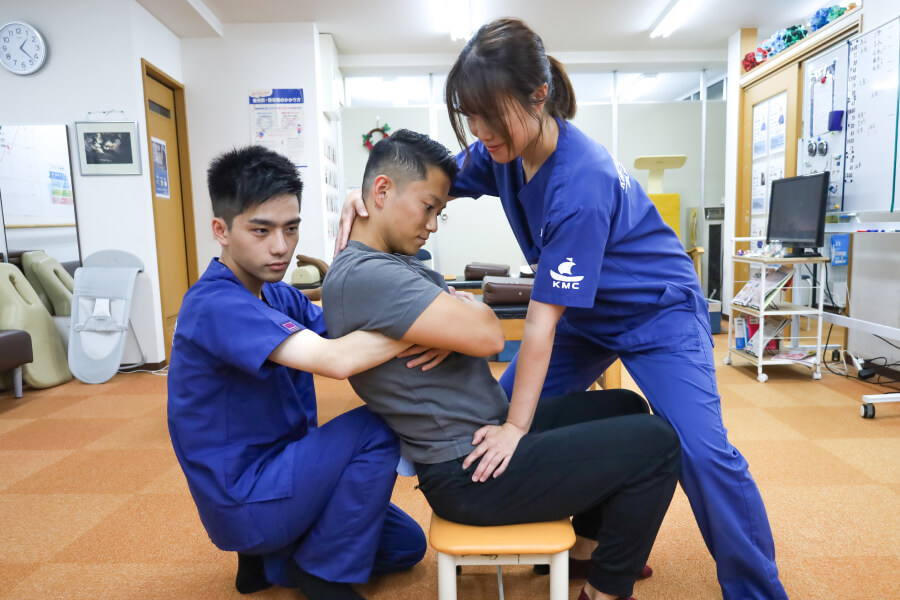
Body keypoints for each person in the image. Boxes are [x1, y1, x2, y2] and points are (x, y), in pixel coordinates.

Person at [337, 18, 788, 600]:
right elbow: (430, 180)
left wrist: (518, 428)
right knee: (493, 417)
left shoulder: (582, 181)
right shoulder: (501, 151)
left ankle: (756, 589)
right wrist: (363, 190)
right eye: (469, 115)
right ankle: (590, 544)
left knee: (699, 451)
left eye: (488, 115)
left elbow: (541, 324)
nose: (479, 131)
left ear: (538, 96)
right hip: (585, 315)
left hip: (657, 313)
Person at [323, 129, 681, 600]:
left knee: (625, 408)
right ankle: (604, 591)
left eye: (440, 212)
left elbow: (473, 324)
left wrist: (461, 315)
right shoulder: (368, 274)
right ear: (383, 191)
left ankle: (584, 553)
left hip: (482, 435)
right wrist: (463, 316)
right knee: (658, 443)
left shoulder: (390, 260)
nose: (432, 225)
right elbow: (490, 335)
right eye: (429, 207)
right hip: (468, 472)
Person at [167, 145, 429, 600]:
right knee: (376, 427)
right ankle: (321, 574)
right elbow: (338, 359)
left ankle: (267, 560)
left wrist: (367, 230)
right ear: (221, 230)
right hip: (246, 498)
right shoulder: (214, 304)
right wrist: (426, 327)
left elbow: (348, 324)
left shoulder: (277, 295)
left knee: (407, 545)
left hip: (283, 472)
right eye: (261, 230)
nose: (281, 247)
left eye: (291, 229)